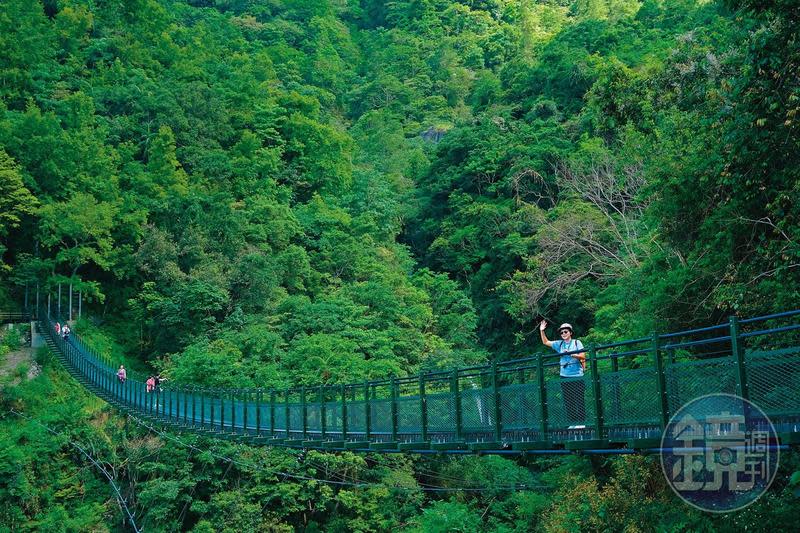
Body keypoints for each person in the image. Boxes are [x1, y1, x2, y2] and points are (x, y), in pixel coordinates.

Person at [540, 320, 586, 428]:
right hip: (564, 375)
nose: (563, 334)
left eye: (565, 332)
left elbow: (583, 356)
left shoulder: (576, 342)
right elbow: (545, 342)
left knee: (579, 399)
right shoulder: (559, 344)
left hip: (577, 375)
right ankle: (572, 423)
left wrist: (571, 354)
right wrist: (542, 331)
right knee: (568, 400)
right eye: (561, 332)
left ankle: (581, 423)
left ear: (570, 332)